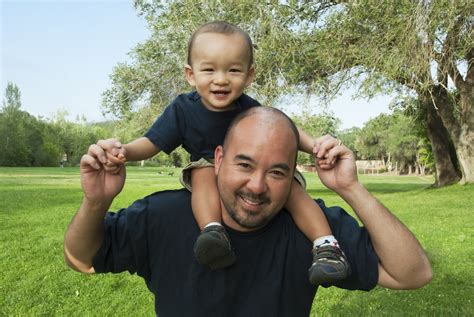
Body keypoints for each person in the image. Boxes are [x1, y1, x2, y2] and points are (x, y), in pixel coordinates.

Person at [64, 107, 432, 316]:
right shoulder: (162, 216)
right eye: (244, 165)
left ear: (294, 175)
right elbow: (81, 259)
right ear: (218, 159)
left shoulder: (314, 231)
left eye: (277, 172)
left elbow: (412, 274)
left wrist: (351, 188)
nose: (257, 186)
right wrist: (97, 202)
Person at [103, 21, 349, 285]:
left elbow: (285, 129)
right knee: (202, 171)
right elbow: (153, 142)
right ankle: (213, 233)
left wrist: (315, 146)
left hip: (250, 168)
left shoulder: (249, 107)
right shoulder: (182, 109)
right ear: (191, 74)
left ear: (249, 75)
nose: (221, 79)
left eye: (233, 70)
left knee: (292, 189)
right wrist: (125, 151)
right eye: (208, 70)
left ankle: (327, 247)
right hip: (209, 166)